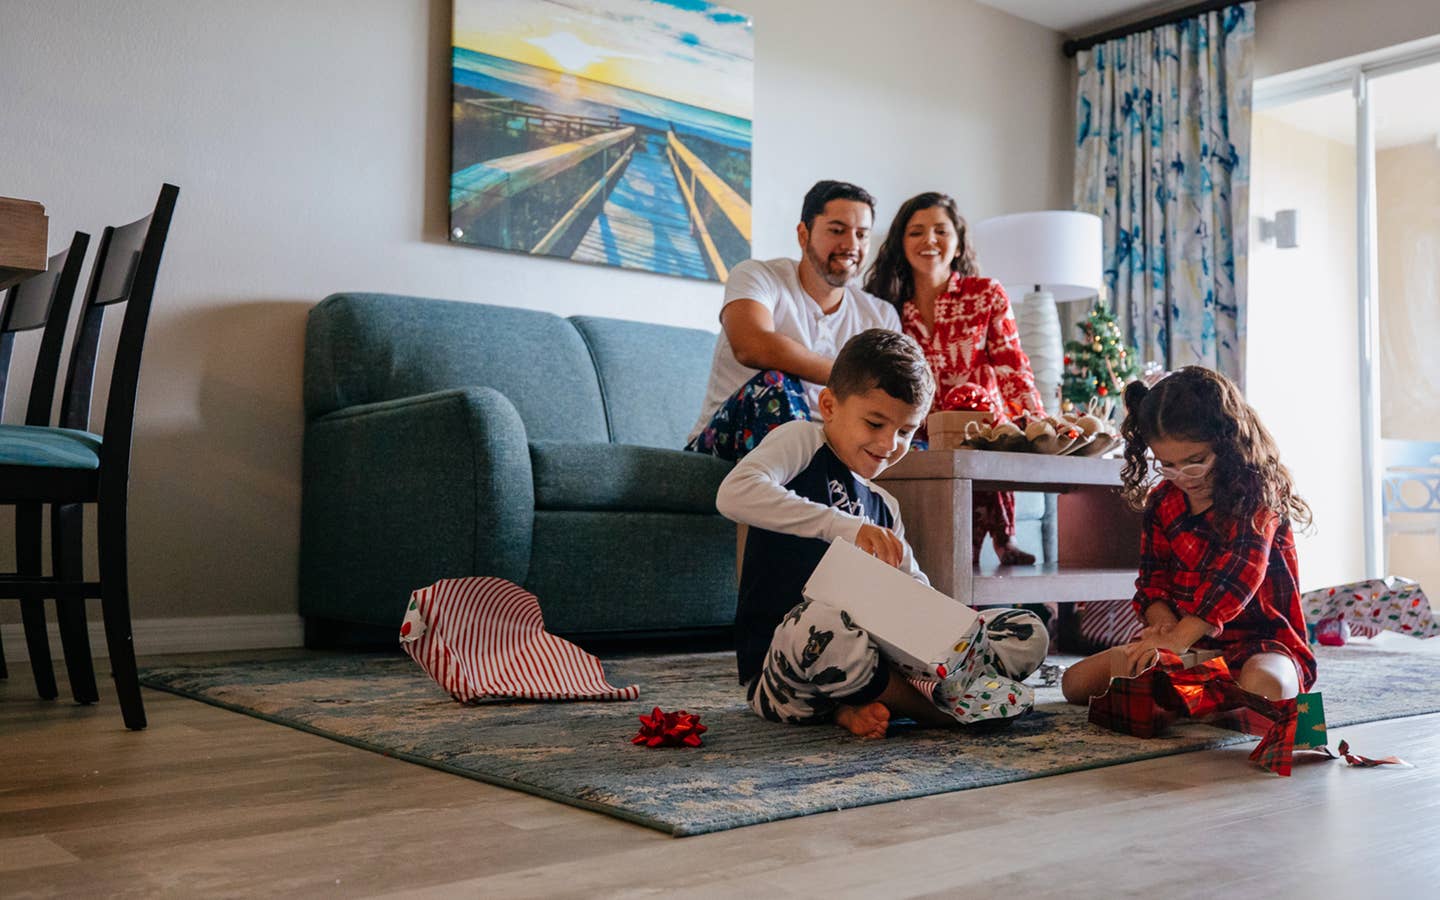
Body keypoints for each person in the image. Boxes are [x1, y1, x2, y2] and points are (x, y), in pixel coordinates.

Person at [715, 329, 1049, 739]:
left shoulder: (884, 505)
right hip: (785, 671)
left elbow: (914, 594)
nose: (890, 444)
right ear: (830, 406)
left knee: (1024, 629)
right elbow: (733, 493)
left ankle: (872, 700)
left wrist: (953, 630)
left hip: (874, 661)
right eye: (875, 422)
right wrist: (843, 526)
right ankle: (933, 710)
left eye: (906, 432)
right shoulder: (803, 441)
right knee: (821, 623)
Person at [1060, 367, 1317, 705]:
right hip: (1189, 646)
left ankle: (1200, 697)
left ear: (1227, 442)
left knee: (1266, 685)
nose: (1183, 476)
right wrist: (1164, 631)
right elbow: (1153, 584)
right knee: (1074, 683)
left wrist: (1178, 638)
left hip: (1262, 645)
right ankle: (1201, 696)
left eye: (1195, 461)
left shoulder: (1256, 495)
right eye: (1168, 464)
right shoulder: (1163, 501)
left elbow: (1238, 576)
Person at [864, 192, 1043, 566]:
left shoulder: (986, 295)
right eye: (916, 232)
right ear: (901, 243)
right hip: (917, 435)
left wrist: (1036, 427)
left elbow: (1013, 366)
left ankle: (997, 543)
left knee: (969, 401)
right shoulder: (886, 306)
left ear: (958, 240)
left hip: (979, 429)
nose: (929, 240)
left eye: (940, 231)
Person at [686, 180, 901, 461]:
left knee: (914, 448)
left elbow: (890, 392)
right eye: (837, 230)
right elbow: (751, 345)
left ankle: (827, 488)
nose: (851, 244)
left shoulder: (880, 314)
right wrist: (854, 377)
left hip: (828, 447)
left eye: (862, 234)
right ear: (804, 234)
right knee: (775, 384)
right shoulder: (757, 276)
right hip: (729, 442)